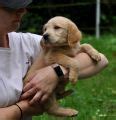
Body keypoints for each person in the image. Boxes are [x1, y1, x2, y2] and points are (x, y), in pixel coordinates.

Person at [0, 0, 108, 120]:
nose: (23, 11)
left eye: (23, 6)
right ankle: (54, 109)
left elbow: (102, 61)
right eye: (11, 7)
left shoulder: (27, 42)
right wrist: (23, 108)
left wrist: (55, 73)